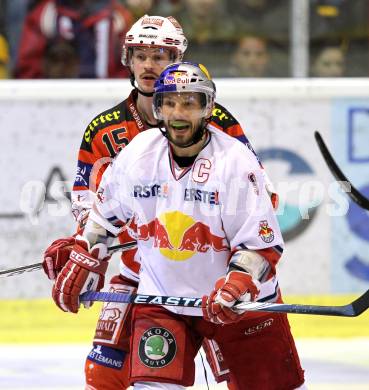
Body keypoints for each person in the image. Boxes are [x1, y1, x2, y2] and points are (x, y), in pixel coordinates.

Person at [42, 15, 277, 390]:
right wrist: (85, 248)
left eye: (161, 55)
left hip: (211, 276)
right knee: (106, 377)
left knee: (253, 378)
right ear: (128, 59)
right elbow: (91, 203)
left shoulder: (215, 123)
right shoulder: (105, 130)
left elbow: (258, 198)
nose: (149, 64)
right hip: (141, 275)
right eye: (141, 55)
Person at [14, 0, 133, 78]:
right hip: (56, 101)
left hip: (107, 101)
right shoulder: (45, 15)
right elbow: (28, 70)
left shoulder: (118, 17)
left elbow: (129, 68)